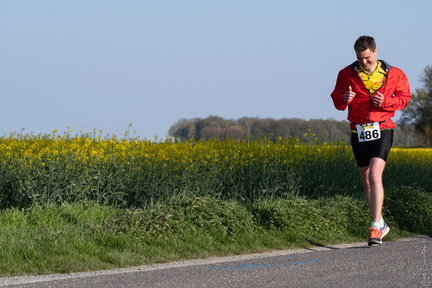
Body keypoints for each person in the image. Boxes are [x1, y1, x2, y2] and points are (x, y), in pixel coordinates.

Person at [331, 35, 411, 246]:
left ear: (376, 52)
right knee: (366, 181)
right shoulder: (346, 74)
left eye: (367, 58)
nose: (364, 62)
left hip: (383, 127)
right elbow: (336, 99)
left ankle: (375, 227)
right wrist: (344, 99)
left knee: (375, 175)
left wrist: (387, 102)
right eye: (359, 59)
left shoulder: (394, 74)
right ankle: (381, 223)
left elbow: (405, 98)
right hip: (358, 130)